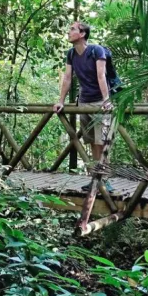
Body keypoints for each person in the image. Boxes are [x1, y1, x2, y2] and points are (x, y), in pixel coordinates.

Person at [53, 21, 115, 189]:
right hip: (84, 101)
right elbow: (67, 78)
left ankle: (105, 180)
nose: (68, 32)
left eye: (72, 29)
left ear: (82, 34)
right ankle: (96, 178)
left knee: (102, 141)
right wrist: (61, 101)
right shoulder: (71, 54)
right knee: (93, 142)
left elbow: (101, 76)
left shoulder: (96, 51)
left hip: (100, 102)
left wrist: (107, 100)